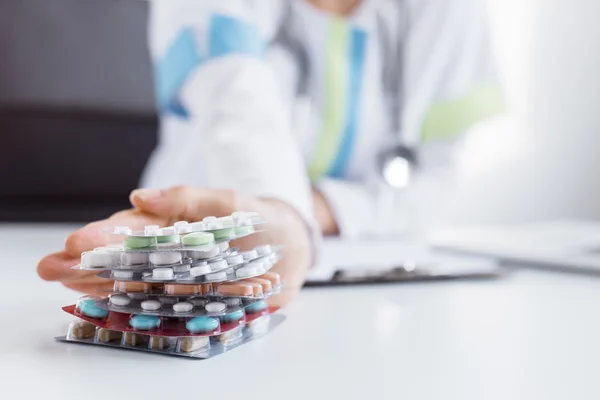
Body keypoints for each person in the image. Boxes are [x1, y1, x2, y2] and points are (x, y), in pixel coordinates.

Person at [37, 0, 504, 306]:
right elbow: (233, 93)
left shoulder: (449, 12)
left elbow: (435, 178)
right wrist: (271, 217)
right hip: (195, 245)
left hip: (371, 274)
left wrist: (303, 216)